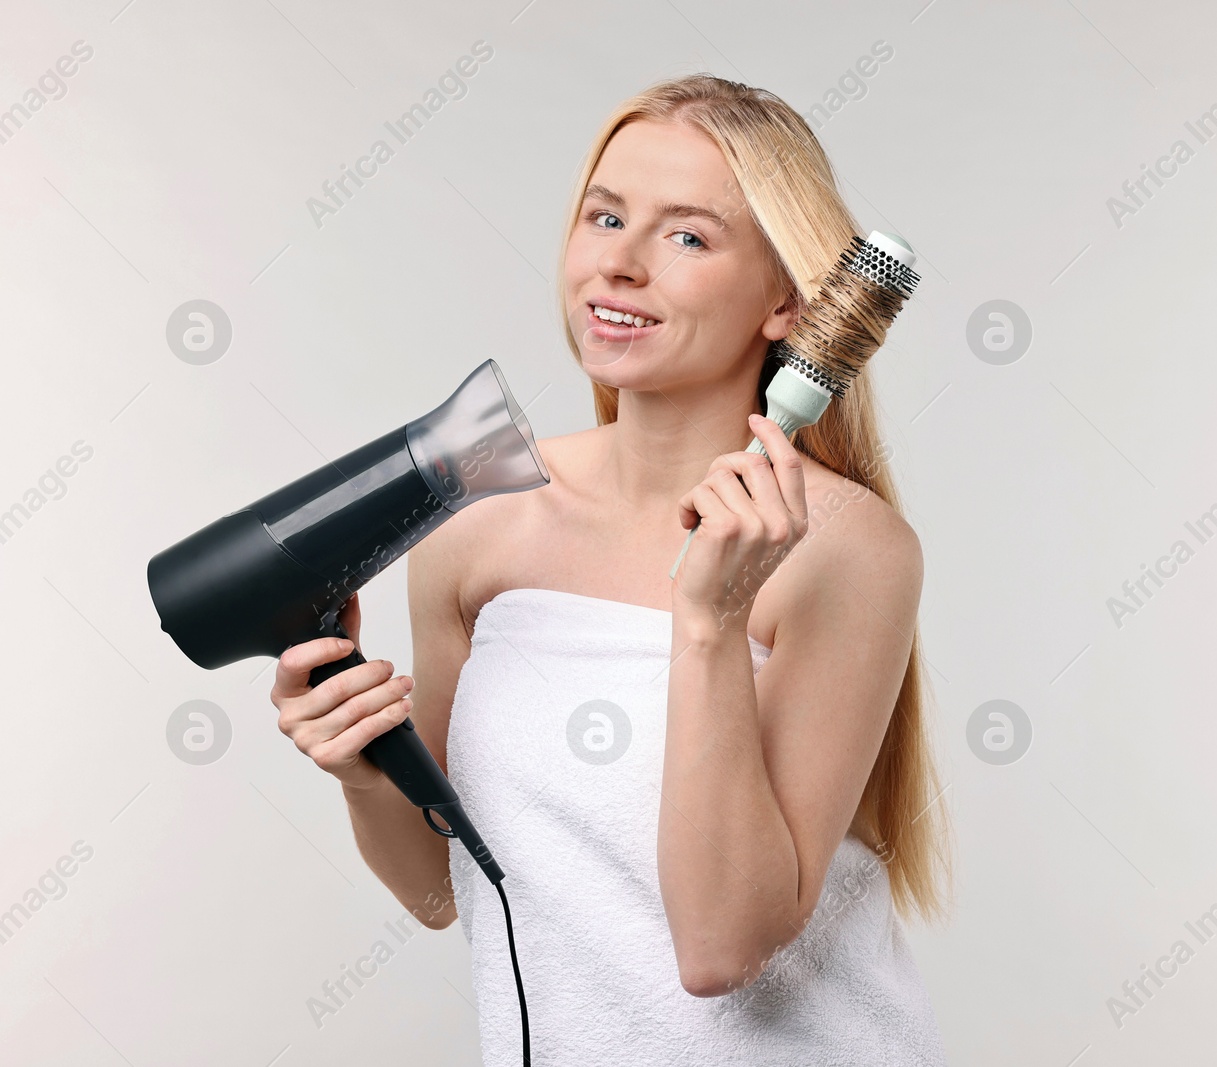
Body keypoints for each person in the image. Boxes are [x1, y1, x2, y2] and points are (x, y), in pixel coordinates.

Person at [270, 73, 952, 1065]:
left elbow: (724, 946)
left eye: (686, 236)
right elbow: (444, 887)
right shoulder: (477, 522)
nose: (619, 265)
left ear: (785, 303)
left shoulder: (844, 551)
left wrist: (709, 622)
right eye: (604, 216)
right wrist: (363, 764)